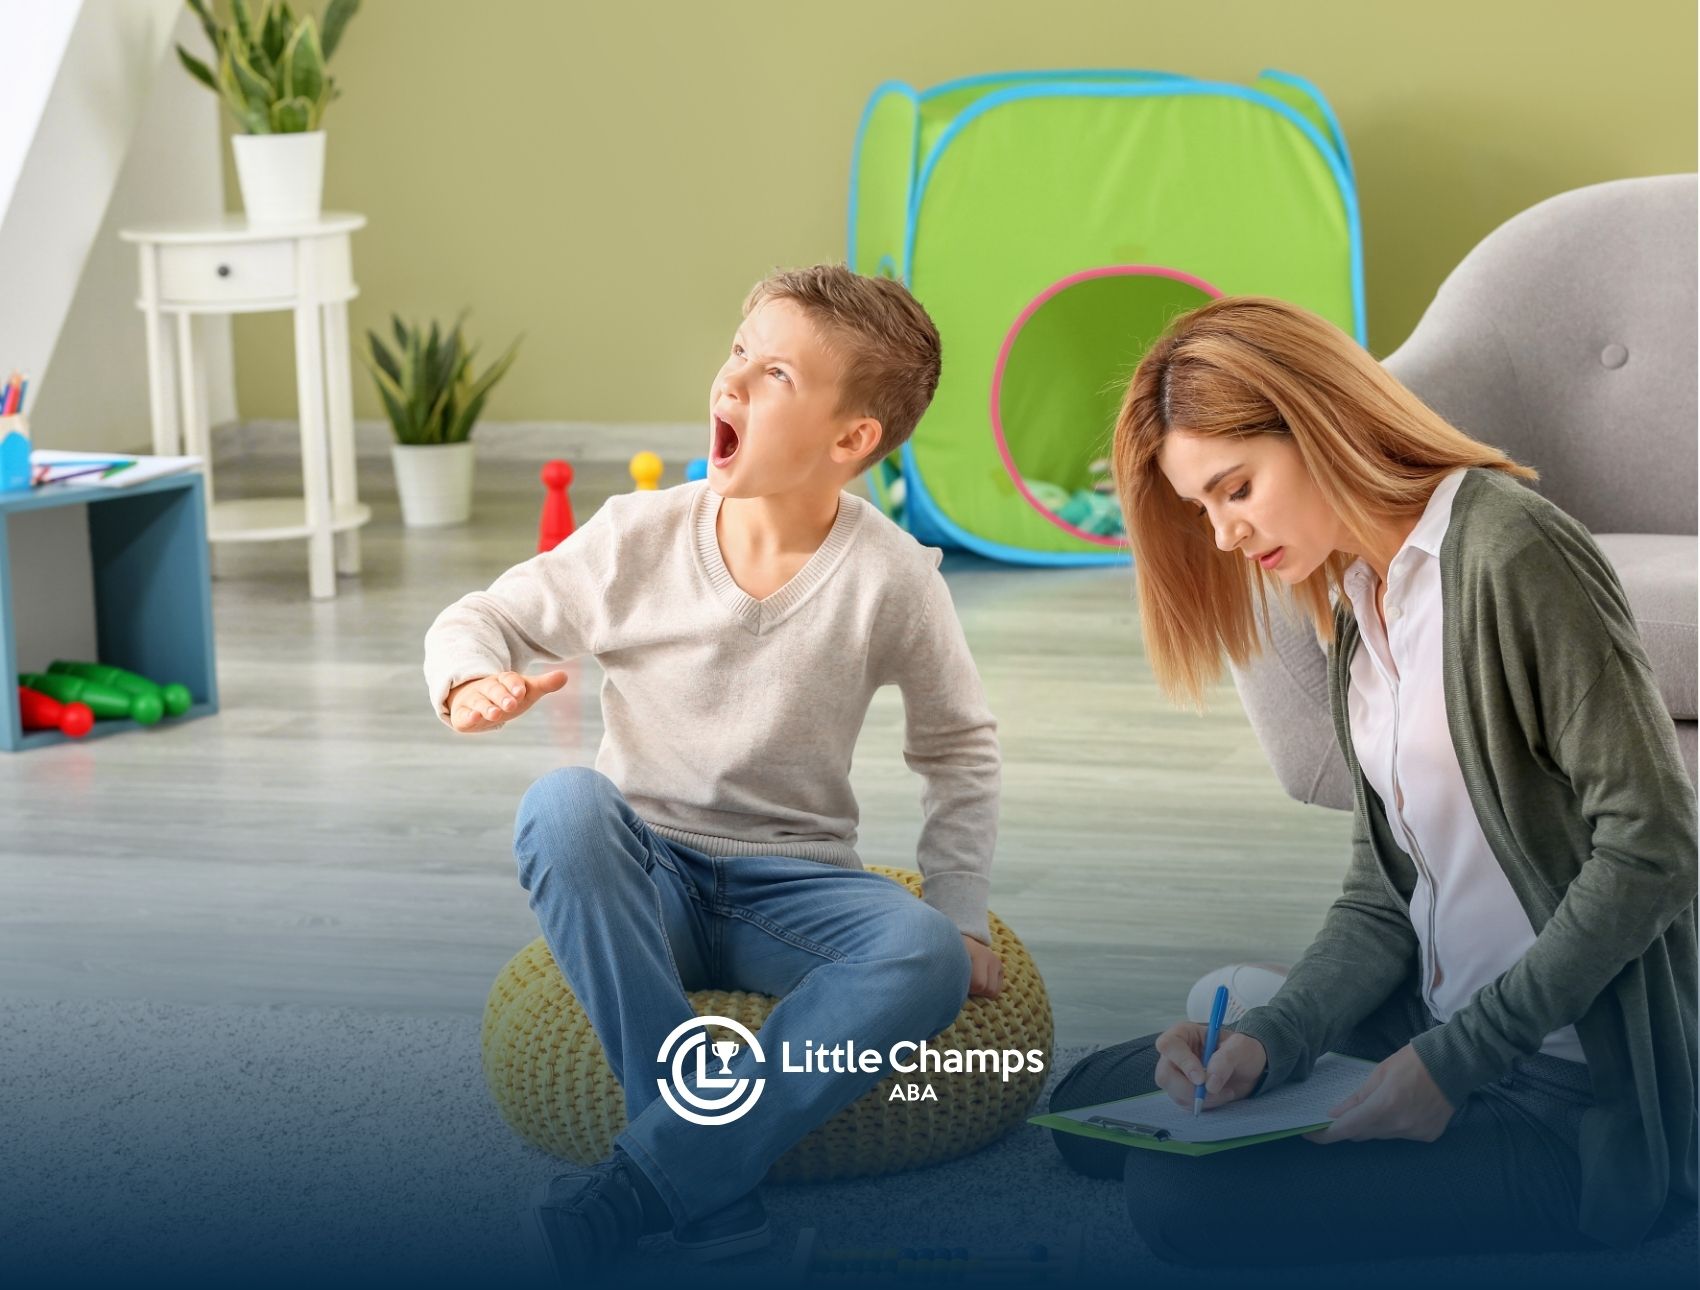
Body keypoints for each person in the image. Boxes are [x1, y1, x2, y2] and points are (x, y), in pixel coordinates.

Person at [1049, 295, 1697, 1271]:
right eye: (1201, 508)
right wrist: (1277, 1035)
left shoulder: (1512, 552)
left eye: (1235, 489)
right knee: (1087, 1107)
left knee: (1177, 1195)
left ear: (1315, 421)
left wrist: (1450, 1063)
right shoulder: (1361, 592)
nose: (1222, 535)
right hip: (1430, 1021)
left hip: (1559, 1085)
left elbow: (1654, 846)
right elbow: (1380, 892)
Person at [422, 264, 1002, 1276]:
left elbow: (958, 746)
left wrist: (958, 906)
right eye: (738, 353)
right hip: (647, 876)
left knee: (926, 955)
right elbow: (482, 617)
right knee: (562, 805)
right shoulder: (635, 538)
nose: (730, 381)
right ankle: (698, 1178)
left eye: (774, 374)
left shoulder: (893, 579)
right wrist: (469, 676)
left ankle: (656, 1178)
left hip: (799, 891)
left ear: (851, 440)